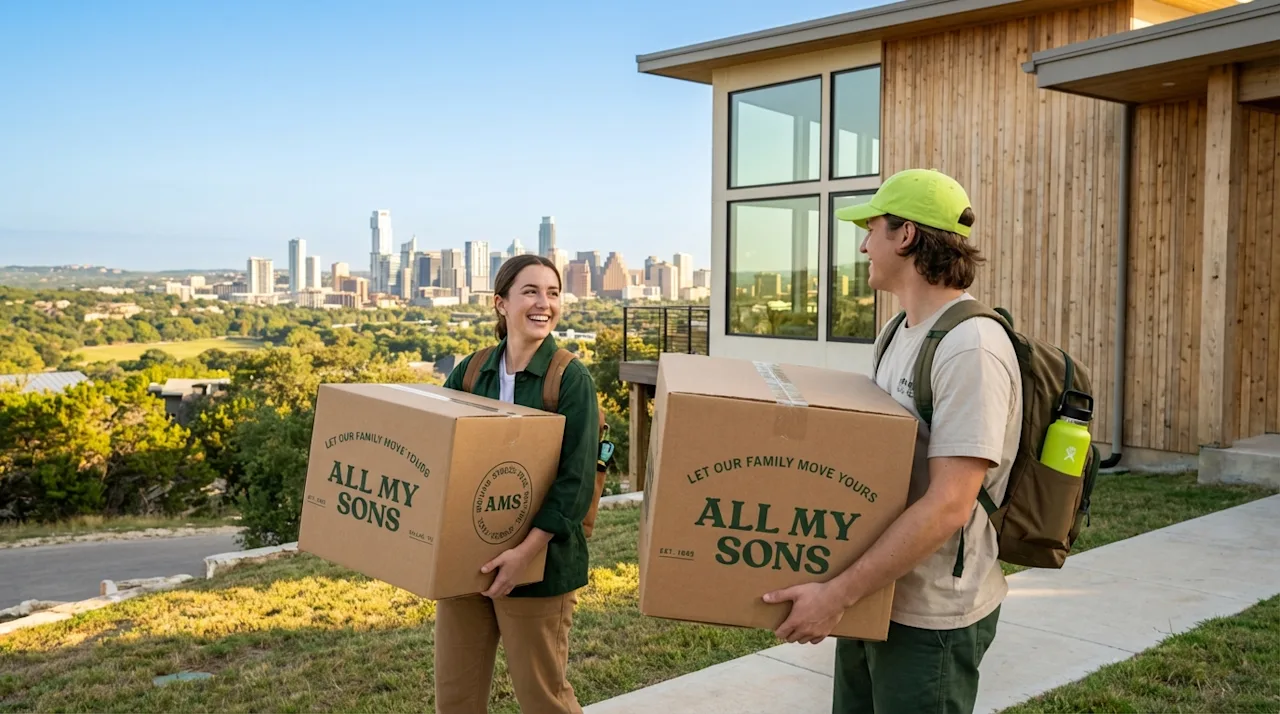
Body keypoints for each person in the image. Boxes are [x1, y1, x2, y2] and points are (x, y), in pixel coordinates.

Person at [762, 169, 1022, 714]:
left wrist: (835, 595)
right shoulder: (898, 332)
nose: (862, 244)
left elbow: (950, 504)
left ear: (905, 235)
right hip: (873, 593)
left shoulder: (970, 347)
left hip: (930, 614)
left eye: (872, 228)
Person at [435, 253, 599, 714]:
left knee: (542, 698)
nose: (543, 303)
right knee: (456, 697)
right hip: (467, 564)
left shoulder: (570, 379)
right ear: (500, 303)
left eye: (552, 292)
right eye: (530, 291)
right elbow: (440, 457)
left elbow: (575, 483)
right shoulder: (470, 372)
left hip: (538, 565)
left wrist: (522, 556)